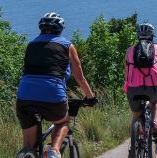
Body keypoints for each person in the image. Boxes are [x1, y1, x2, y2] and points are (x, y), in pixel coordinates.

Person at [16, 12, 97, 158]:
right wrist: (90, 97)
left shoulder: (31, 44)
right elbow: (79, 78)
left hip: (24, 95)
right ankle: (54, 150)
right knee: (62, 122)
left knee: (29, 145)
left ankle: (27, 153)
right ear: (60, 29)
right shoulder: (67, 45)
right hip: (52, 94)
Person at [124, 23, 157, 138]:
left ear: (138, 36)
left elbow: (126, 73)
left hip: (133, 88)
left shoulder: (129, 51)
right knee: (155, 101)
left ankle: (133, 145)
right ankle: (154, 122)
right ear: (152, 35)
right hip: (152, 87)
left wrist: (127, 86)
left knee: (136, 115)